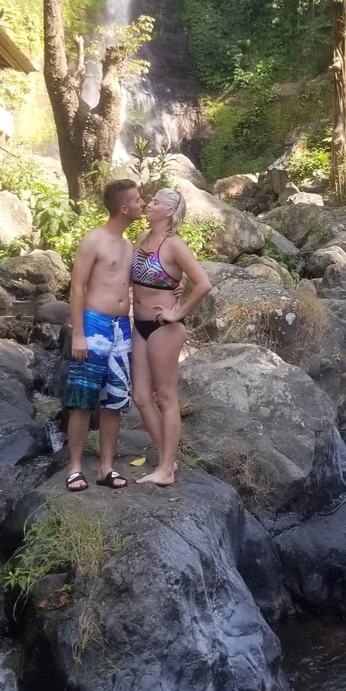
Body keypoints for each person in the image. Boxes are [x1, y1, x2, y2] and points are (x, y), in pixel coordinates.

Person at [64, 178, 144, 492]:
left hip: (121, 328)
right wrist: (79, 333)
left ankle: (106, 468)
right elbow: (77, 287)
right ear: (124, 208)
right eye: (138, 200)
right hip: (94, 325)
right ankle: (74, 468)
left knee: (115, 401)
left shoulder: (128, 245)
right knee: (82, 398)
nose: (142, 203)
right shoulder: (93, 240)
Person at [131, 188, 212, 487]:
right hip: (139, 325)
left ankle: (165, 469)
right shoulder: (142, 237)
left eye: (154, 202)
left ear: (168, 211)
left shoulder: (174, 245)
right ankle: (168, 459)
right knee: (141, 397)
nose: (148, 205)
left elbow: (203, 283)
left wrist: (178, 311)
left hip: (164, 328)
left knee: (165, 397)